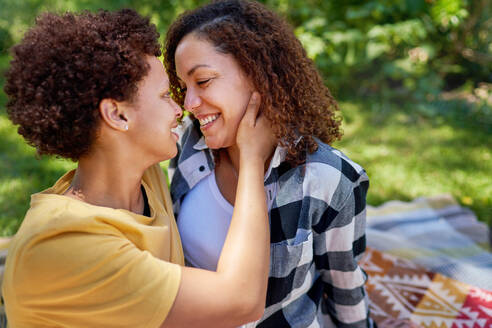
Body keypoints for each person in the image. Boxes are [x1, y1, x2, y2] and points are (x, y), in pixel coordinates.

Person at [2, 9, 275, 328]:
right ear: (117, 116)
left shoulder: (143, 177)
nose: (180, 108)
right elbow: (240, 301)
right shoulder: (64, 245)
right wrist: (252, 158)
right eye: (164, 96)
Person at [165, 1, 373, 327]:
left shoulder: (330, 180)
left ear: (258, 74)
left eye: (202, 81)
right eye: (183, 86)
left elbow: (345, 287)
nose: (188, 103)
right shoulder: (187, 143)